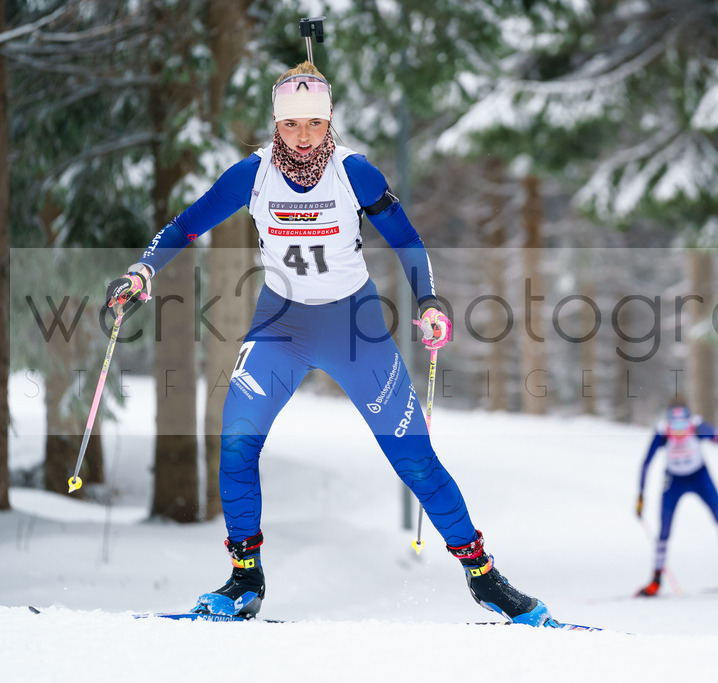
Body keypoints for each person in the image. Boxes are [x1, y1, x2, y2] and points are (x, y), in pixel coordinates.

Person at [105, 61, 549, 625]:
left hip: (354, 328)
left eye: (315, 123)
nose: (304, 137)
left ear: (330, 121)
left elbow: (407, 241)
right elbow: (184, 226)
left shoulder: (353, 173)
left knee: (414, 458)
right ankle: (245, 579)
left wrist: (429, 302)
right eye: (292, 124)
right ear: (276, 124)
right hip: (280, 326)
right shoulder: (252, 175)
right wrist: (142, 271)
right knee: (236, 440)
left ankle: (484, 578)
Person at [634, 399, 718, 596]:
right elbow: (646, 463)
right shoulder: (662, 433)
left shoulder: (698, 428)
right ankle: (655, 580)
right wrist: (641, 496)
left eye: (683, 425)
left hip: (699, 477)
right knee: (664, 530)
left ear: (689, 422)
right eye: (675, 426)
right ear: (668, 423)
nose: (679, 431)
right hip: (674, 480)